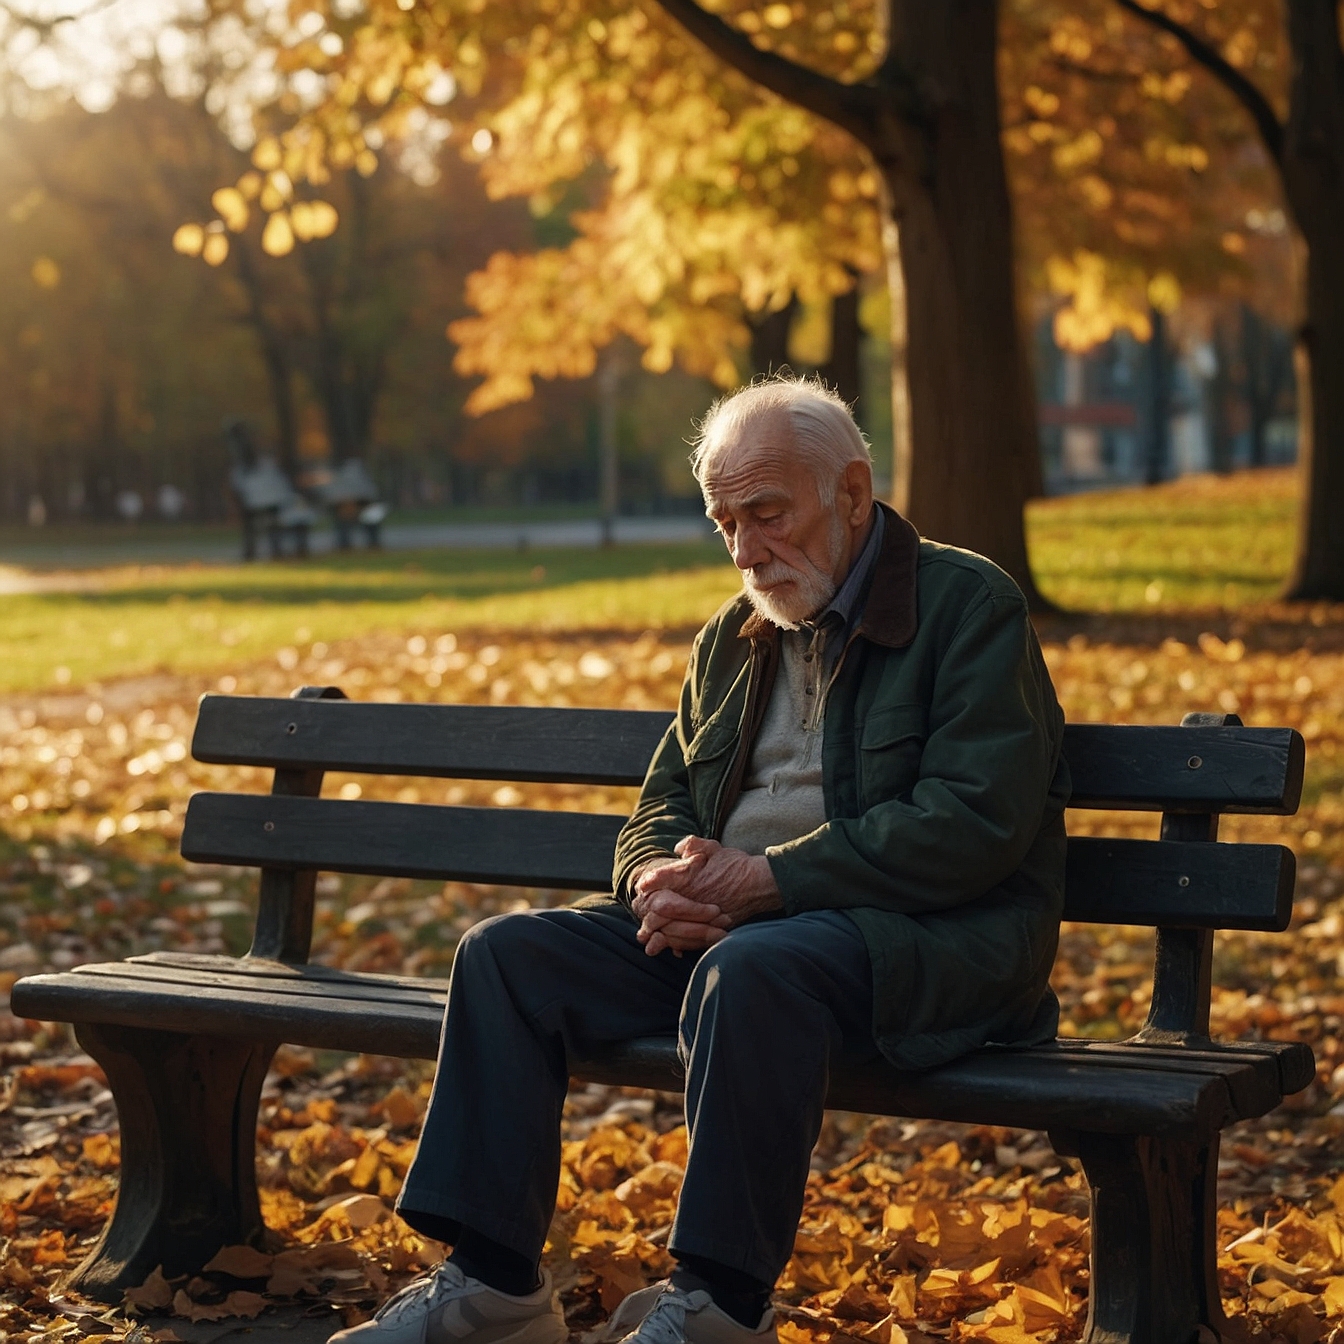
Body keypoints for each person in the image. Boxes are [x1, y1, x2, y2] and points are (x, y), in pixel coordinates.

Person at [331, 377, 1069, 1344]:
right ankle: (493, 1286)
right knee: (505, 958)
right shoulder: (735, 632)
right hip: (744, 934)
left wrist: (771, 883)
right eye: (725, 522)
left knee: (751, 968)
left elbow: (973, 821)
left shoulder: (968, 605)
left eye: (768, 514)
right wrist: (655, 882)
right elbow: (661, 801)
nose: (746, 551)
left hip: (926, 943)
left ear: (852, 492)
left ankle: (720, 1303)